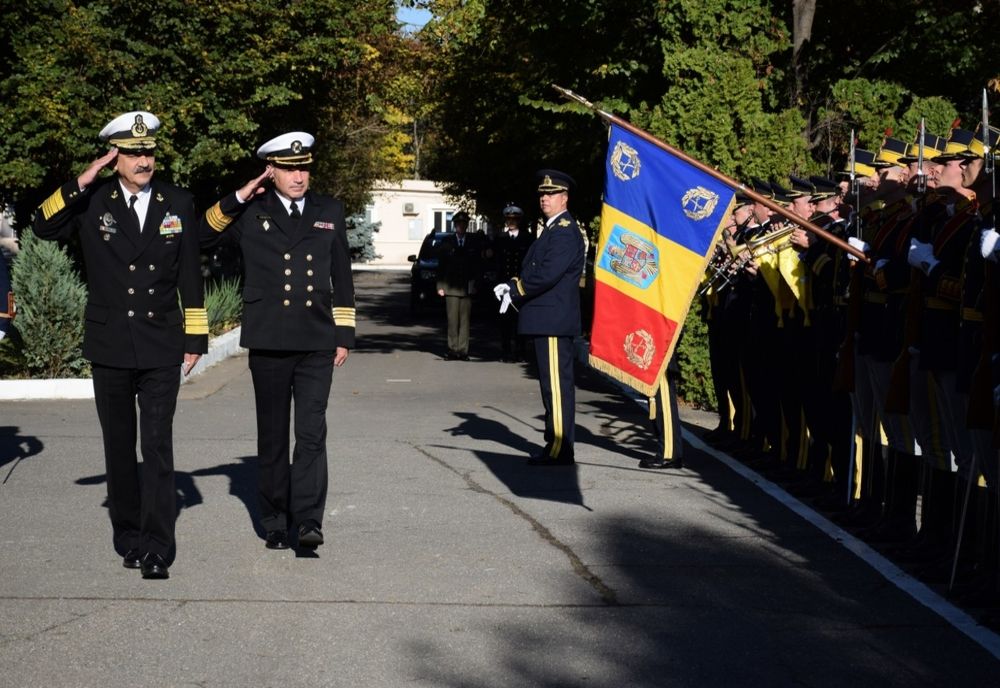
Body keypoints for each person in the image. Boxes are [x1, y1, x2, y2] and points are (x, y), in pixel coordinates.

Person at [33, 111, 208, 579]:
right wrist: (82, 179)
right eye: (132, 153)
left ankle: (157, 545)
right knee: (118, 446)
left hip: (160, 342)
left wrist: (195, 336)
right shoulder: (92, 201)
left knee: (156, 445)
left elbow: (191, 272)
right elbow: (41, 225)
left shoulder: (178, 201)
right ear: (114, 158)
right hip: (109, 342)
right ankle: (128, 535)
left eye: (148, 151)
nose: (142, 160)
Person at [201, 131, 355, 551]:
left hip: (316, 339)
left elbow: (342, 273)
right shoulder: (252, 211)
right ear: (272, 171)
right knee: (272, 436)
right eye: (288, 169)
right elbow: (203, 234)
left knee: (310, 434)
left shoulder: (328, 210)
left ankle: (307, 520)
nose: (298, 176)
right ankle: (273, 518)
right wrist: (241, 193)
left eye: (303, 167)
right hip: (269, 339)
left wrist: (344, 334)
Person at [494, 170, 585, 465]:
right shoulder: (552, 228)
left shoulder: (564, 231)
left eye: (551, 194)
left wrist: (515, 289)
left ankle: (560, 448)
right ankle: (555, 444)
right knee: (551, 386)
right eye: (542, 194)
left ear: (564, 198)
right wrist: (513, 283)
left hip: (554, 321)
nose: (544, 199)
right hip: (548, 319)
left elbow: (547, 274)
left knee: (556, 387)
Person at [436, 210, 482, 360]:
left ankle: (463, 351)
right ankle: (452, 350)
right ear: (455, 226)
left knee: (465, 322)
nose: (461, 227)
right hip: (450, 288)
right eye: (458, 225)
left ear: (467, 226)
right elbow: (441, 266)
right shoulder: (447, 242)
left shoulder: (472, 242)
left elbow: (477, 267)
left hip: (467, 287)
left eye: (463, 224)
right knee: (452, 321)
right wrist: (440, 286)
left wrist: (476, 284)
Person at [495, 203, 533, 361]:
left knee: (520, 318)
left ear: (519, 221)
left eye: (514, 220)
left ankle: (520, 351)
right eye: (509, 220)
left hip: (520, 284)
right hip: (504, 284)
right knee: (505, 319)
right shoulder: (500, 239)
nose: (511, 222)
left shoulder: (527, 238)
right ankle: (505, 351)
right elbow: (497, 262)